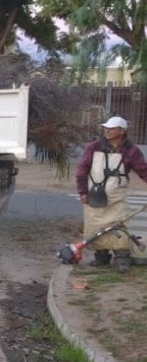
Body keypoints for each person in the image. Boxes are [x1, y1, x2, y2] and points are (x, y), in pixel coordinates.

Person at [76, 116, 147, 272]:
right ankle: (101, 256)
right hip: (94, 195)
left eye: (112, 128)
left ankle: (122, 257)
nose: (107, 131)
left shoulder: (131, 151)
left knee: (120, 225)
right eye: (106, 128)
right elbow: (82, 170)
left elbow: (143, 170)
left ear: (122, 131)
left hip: (117, 197)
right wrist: (82, 192)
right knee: (95, 227)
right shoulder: (93, 147)